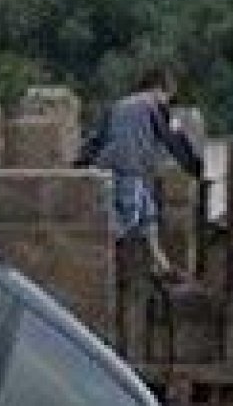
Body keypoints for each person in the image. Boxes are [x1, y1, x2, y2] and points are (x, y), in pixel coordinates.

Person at [74, 67, 203, 280]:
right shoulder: (155, 106)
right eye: (169, 95)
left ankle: (162, 266)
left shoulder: (119, 105)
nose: (169, 101)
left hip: (110, 167)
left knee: (148, 216)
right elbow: (174, 140)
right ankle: (106, 273)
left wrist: (80, 164)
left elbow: (96, 138)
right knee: (127, 224)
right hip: (129, 169)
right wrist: (194, 167)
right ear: (161, 89)